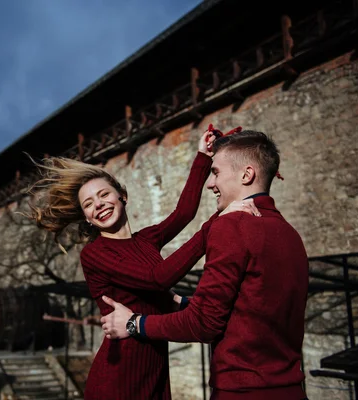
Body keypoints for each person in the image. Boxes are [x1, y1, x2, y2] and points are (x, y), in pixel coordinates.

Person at [27, 130, 259, 400]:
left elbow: (183, 213)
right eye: (89, 204)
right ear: (87, 218)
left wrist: (203, 157)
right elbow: (157, 278)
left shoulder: (147, 238)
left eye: (104, 195)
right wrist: (215, 225)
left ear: (122, 195)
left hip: (155, 367)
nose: (99, 205)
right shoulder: (95, 254)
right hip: (119, 378)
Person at [101, 130, 309, 400]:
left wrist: (133, 324)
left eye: (216, 172)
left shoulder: (231, 226)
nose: (211, 184)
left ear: (246, 175)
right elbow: (253, 307)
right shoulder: (290, 234)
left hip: (242, 392)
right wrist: (184, 303)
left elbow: (204, 324)